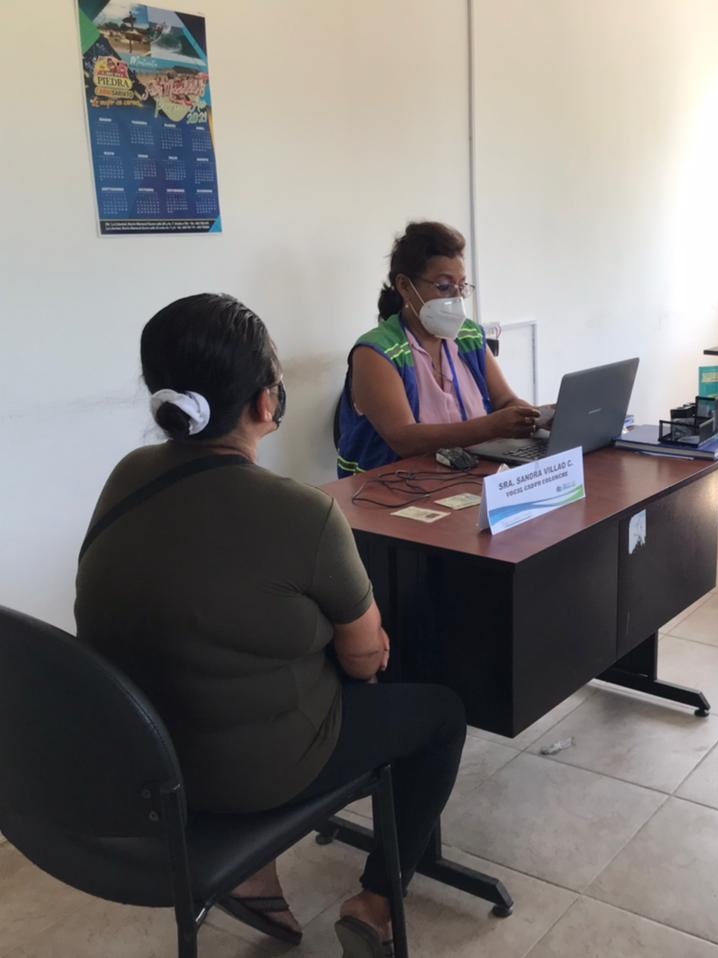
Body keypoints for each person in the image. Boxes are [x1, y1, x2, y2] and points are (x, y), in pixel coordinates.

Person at [75, 294, 465, 957]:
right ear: (266, 402)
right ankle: (376, 903)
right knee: (439, 713)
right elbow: (365, 659)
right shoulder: (302, 514)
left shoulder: (127, 476)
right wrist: (359, 644)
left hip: (140, 760)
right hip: (248, 775)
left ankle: (254, 875)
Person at [337, 221, 541, 477]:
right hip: (388, 486)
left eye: (461, 286)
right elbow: (404, 439)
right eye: (444, 286)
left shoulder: (469, 336)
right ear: (405, 286)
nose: (456, 297)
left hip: (464, 476)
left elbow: (505, 401)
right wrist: (492, 427)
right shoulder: (376, 352)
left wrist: (537, 419)